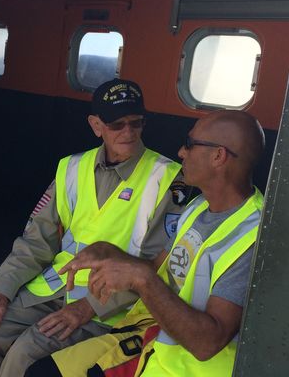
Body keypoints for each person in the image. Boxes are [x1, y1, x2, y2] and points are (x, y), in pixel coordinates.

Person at [0, 79, 189, 377]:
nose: (129, 132)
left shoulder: (169, 179)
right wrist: (0, 292)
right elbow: (35, 242)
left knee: (24, 355)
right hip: (51, 290)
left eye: (136, 123)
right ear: (96, 125)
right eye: (117, 124)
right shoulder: (71, 167)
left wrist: (88, 307)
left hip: (111, 306)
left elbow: (159, 266)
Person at [26, 110, 265, 377]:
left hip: (183, 365)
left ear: (218, 156)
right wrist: (110, 253)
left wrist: (142, 279)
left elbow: (207, 343)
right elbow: (156, 266)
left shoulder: (252, 235)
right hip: (150, 334)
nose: (181, 152)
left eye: (189, 143)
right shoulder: (198, 208)